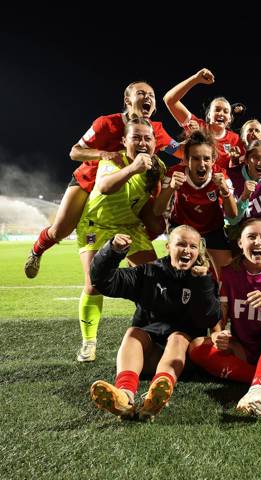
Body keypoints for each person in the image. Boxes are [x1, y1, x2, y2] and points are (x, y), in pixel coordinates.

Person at [25, 81, 181, 279]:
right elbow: (75, 152)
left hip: (134, 186)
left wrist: (200, 136)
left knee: (157, 224)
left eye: (151, 95)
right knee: (60, 231)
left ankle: (131, 249)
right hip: (91, 181)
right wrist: (102, 154)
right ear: (128, 100)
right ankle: (36, 252)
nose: (148, 98)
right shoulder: (106, 123)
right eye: (141, 93)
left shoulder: (156, 129)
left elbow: (180, 151)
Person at [89, 226, 220, 420]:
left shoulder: (202, 278)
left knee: (178, 337)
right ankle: (124, 395)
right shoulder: (148, 273)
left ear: (198, 250)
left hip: (183, 360)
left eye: (193, 246)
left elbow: (209, 318)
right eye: (181, 244)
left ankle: (157, 392)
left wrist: (202, 284)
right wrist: (112, 251)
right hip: (148, 357)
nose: (187, 250)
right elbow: (103, 282)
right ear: (168, 246)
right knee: (134, 332)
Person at [74, 117, 166, 362]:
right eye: (136, 137)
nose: (143, 142)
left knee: (153, 279)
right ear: (125, 141)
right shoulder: (115, 159)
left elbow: (149, 205)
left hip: (130, 226)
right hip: (97, 224)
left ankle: (151, 335)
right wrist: (132, 168)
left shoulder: (157, 167)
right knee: (94, 283)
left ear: (155, 142)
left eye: (148, 138)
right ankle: (89, 343)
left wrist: (158, 217)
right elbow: (104, 187)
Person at [188, 219, 261, 417]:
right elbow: (222, 313)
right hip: (242, 349)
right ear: (240, 243)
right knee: (195, 346)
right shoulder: (229, 273)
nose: (258, 242)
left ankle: (257, 388)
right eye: (251, 237)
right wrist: (217, 335)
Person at [154, 129, 238, 269]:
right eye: (196, 158)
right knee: (178, 272)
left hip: (212, 230)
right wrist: (171, 187)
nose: (202, 164)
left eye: (206, 158)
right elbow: (157, 211)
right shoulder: (175, 173)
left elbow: (233, 214)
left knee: (225, 272)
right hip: (182, 228)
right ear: (186, 159)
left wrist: (224, 191)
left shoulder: (221, 176)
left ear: (213, 160)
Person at [163, 68, 244, 170]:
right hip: (192, 183)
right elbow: (169, 100)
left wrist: (235, 161)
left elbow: (241, 171)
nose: (221, 113)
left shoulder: (236, 140)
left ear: (229, 119)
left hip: (221, 184)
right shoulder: (198, 126)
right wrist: (195, 79)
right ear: (209, 114)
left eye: (226, 111)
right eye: (217, 109)